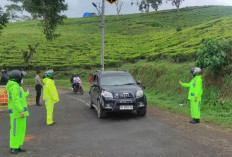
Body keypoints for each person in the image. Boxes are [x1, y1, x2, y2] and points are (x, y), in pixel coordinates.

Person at [6, 70, 29, 154]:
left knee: (21, 130)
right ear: (17, 79)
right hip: (17, 113)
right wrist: (21, 110)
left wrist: (27, 93)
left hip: (21, 113)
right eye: (21, 78)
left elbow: (21, 97)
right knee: (15, 131)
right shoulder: (14, 87)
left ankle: (18, 145)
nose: (22, 79)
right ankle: (13, 147)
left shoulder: (18, 87)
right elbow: (15, 100)